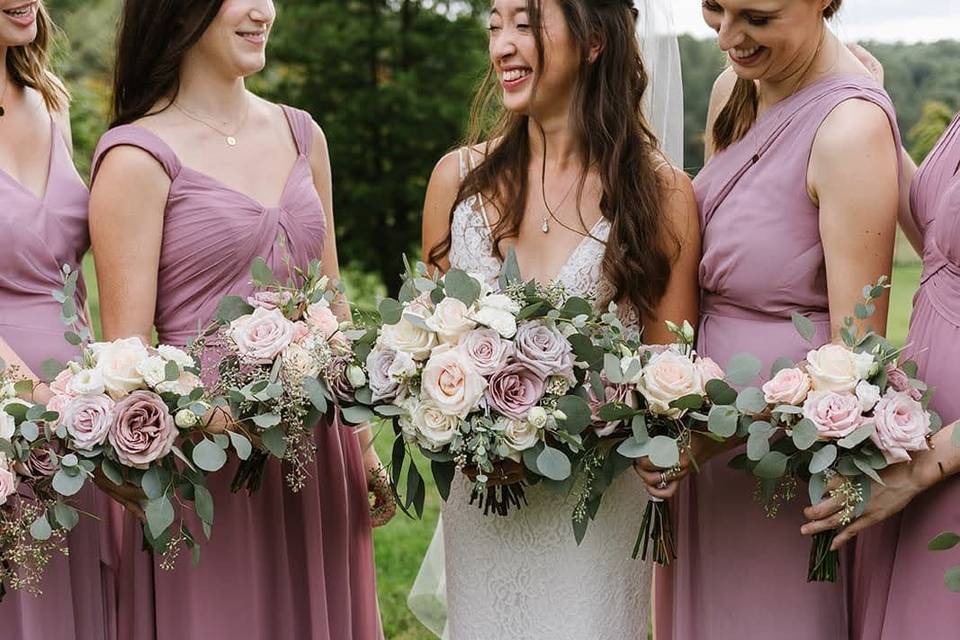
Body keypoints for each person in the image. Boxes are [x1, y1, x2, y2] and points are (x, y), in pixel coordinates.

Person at [88, 1, 392, 637]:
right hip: (206, 466)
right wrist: (212, 418)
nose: (264, 10)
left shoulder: (303, 134)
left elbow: (330, 300)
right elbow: (125, 358)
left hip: (315, 449)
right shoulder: (136, 157)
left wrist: (362, 448)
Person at [414, 0, 699, 637]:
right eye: (494, 25)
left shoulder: (661, 194)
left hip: (596, 512)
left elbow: (669, 373)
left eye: (526, 22)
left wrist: (663, 440)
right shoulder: (455, 181)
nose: (503, 45)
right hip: (484, 504)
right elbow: (428, 353)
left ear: (594, 38)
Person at [645, 1, 902, 638]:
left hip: (786, 464)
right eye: (714, 8)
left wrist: (721, 434)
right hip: (700, 433)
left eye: (756, 18)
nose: (728, 37)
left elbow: (855, 357)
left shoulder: (851, 129)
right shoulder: (734, 89)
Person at [0, 2, 116, 637]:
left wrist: (97, 397)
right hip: (10, 414)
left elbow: (74, 282)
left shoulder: (52, 101)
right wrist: (32, 402)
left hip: (81, 414)